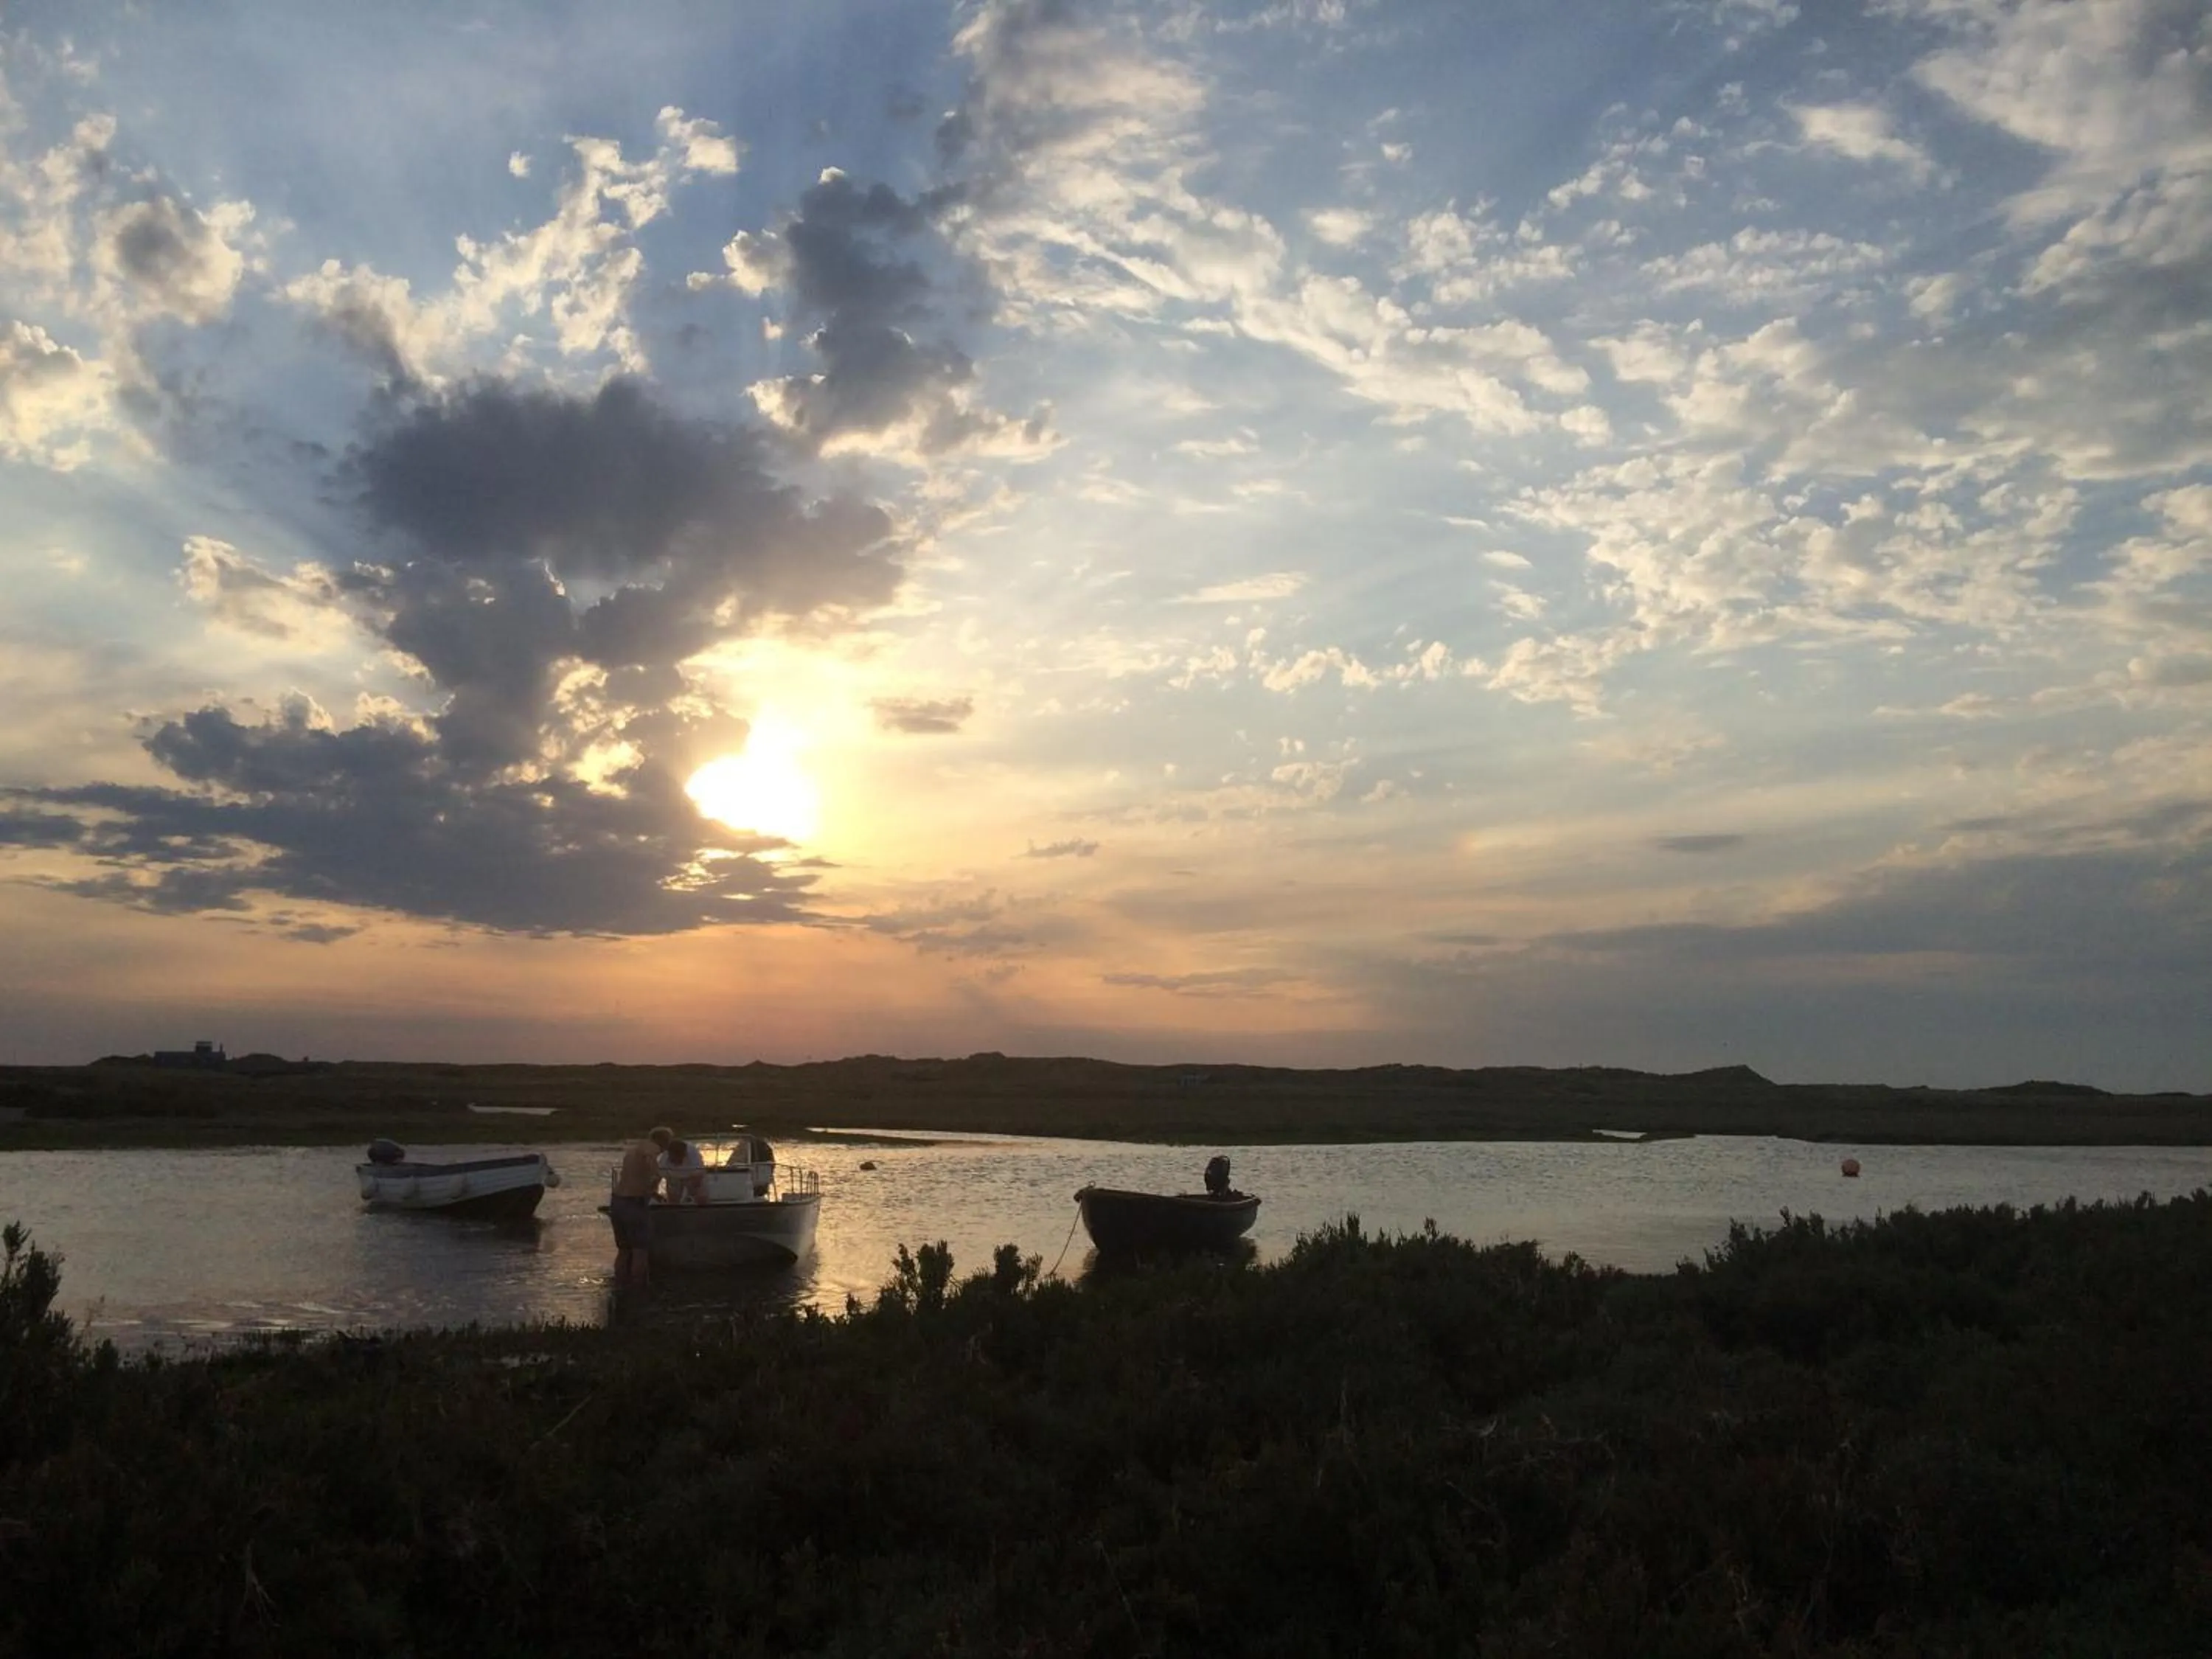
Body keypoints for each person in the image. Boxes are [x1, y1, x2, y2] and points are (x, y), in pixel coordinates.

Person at [610, 1127, 671, 1288]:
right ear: (664, 1141)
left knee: (624, 1250)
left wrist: (653, 1194)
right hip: (634, 1204)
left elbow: (635, 1177)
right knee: (640, 1250)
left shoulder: (633, 1150)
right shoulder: (651, 1148)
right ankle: (639, 1289)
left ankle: (620, 1286)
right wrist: (657, 1176)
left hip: (617, 1202)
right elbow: (651, 1163)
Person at [659, 1133, 709, 1206]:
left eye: (679, 1157)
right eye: (674, 1158)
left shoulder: (693, 1153)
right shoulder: (664, 1158)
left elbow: (699, 1173)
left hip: (692, 1175)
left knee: (701, 1197)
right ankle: (674, 1213)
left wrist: (693, 1189)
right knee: (673, 1199)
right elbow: (660, 1174)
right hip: (673, 1176)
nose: (677, 1160)